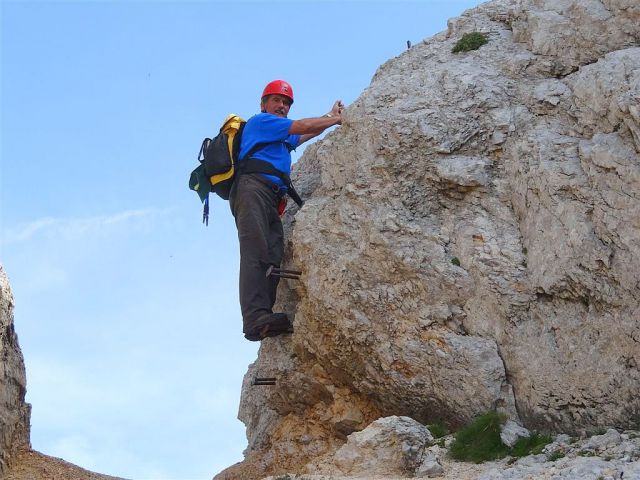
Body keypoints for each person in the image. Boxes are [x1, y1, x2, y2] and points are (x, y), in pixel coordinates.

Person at [229, 79, 343, 341]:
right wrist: (334, 120)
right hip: (252, 189)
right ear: (264, 103)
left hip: (269, 196)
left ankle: (265, 314)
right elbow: (302, 125)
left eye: (286, 102)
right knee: (254, 249)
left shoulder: (279, 136)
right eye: (277, 100)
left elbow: (303, 134)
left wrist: (329, 115)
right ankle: (254, 317)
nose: (282, 105)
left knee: (273, 252)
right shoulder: (261, 122)